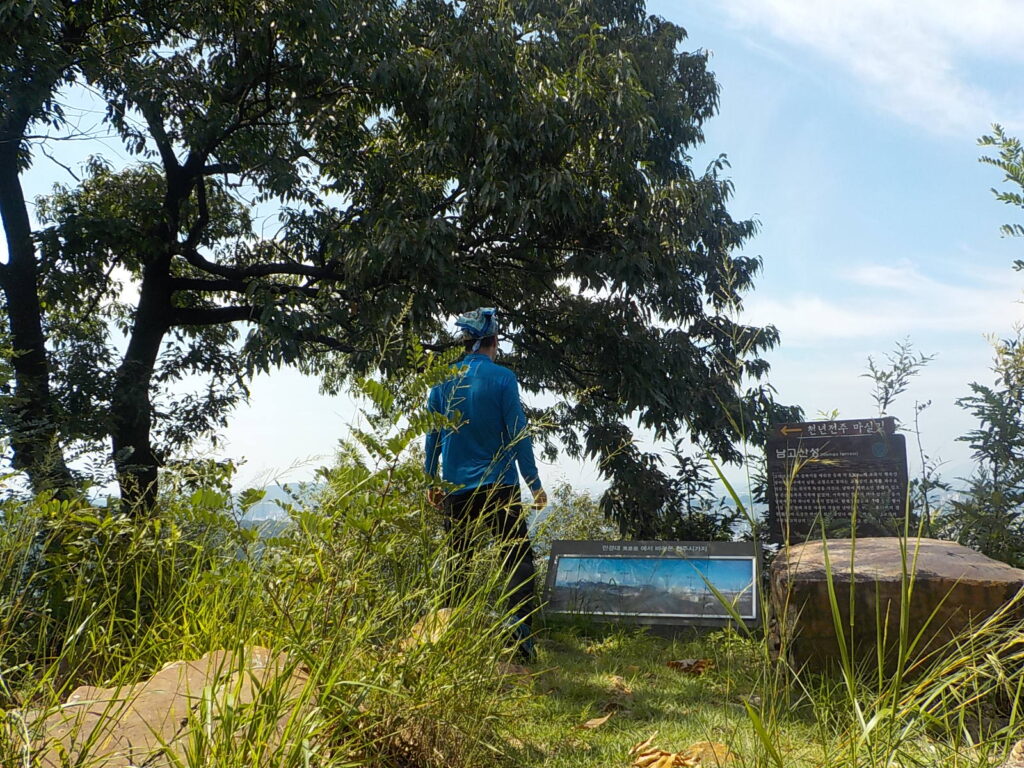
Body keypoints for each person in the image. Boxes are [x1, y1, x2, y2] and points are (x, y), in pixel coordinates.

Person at [424, 308, 546, 657]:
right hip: (500, 487)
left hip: (456, 490)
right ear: (495, 342)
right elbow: (518, 434)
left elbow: (432, 439)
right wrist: (534, 482)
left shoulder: (441, 381)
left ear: (465, 343)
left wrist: (430, 480)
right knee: (516, 561)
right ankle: (520, 642)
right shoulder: (504, 379)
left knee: (457, 563)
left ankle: (449, 640)